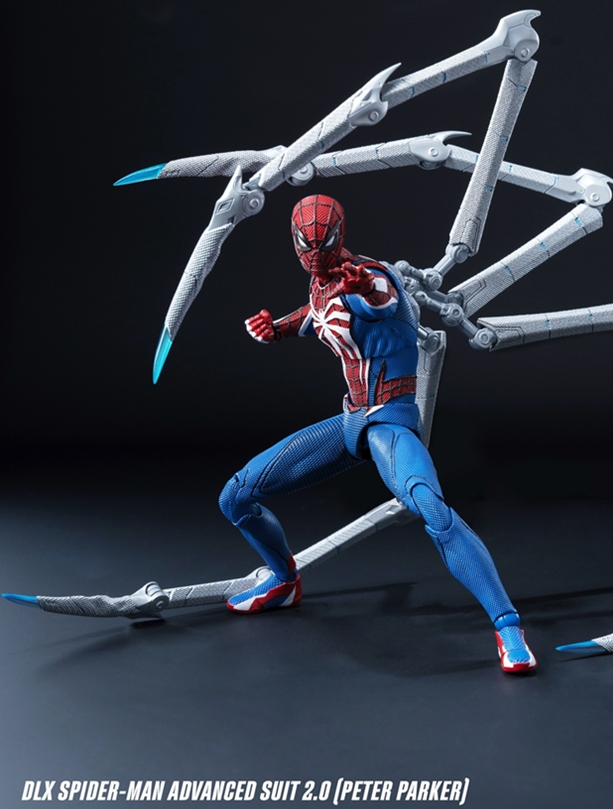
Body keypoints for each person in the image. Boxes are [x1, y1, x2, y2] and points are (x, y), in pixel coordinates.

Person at [219, 194, 536, 672]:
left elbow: (381, 300)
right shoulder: (321, 286)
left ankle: (508, 626)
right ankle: (284, 580)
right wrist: (276, 328)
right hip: (351, 422)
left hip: (389, 422)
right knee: (236, 495)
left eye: (322, 243)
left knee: (432, 509)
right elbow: (315, 316)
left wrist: (365, 287)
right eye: (304, 245)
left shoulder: (368, 275)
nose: (313, 255)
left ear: (339, 236)